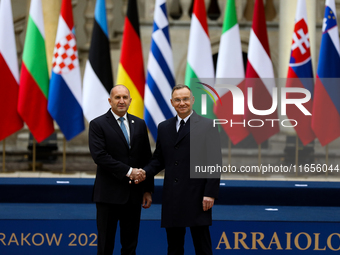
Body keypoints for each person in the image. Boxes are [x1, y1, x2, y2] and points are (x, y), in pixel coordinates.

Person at [134, 84, 222, 255]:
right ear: (172, 102)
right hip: (172, 196)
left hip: (198, 196)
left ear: (192, 100)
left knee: (202, 246)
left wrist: (210, 192)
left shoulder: (208, 125)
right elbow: (159, 159)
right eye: (178, 100)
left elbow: (214, 162)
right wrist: (144, 172)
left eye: (185, 99)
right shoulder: (164, 127)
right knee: (174, 247)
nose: (182, 103)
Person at [88, 85, 154, 255]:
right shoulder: (97, 124)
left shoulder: (139, 124)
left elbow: (146, 158)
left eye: (125, 97)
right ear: (110, 101)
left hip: (133, 195)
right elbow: (100, 156)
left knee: (130, 245)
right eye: (117, 97)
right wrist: (129, 171)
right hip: (108, 196)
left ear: (130, 101)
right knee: (105, 245)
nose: (121, 101)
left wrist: (147, 190)